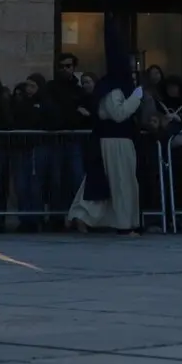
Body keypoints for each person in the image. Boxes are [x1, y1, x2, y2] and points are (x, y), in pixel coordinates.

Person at [67, 16, 144, 236]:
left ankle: (99, 218)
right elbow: (118, 114)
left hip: (118, 140)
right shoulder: (113, 88)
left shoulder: (112, 86)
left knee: (115, 183)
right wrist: (136, 98)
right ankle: (124, 224)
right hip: (116, 140)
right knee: (120, 183)